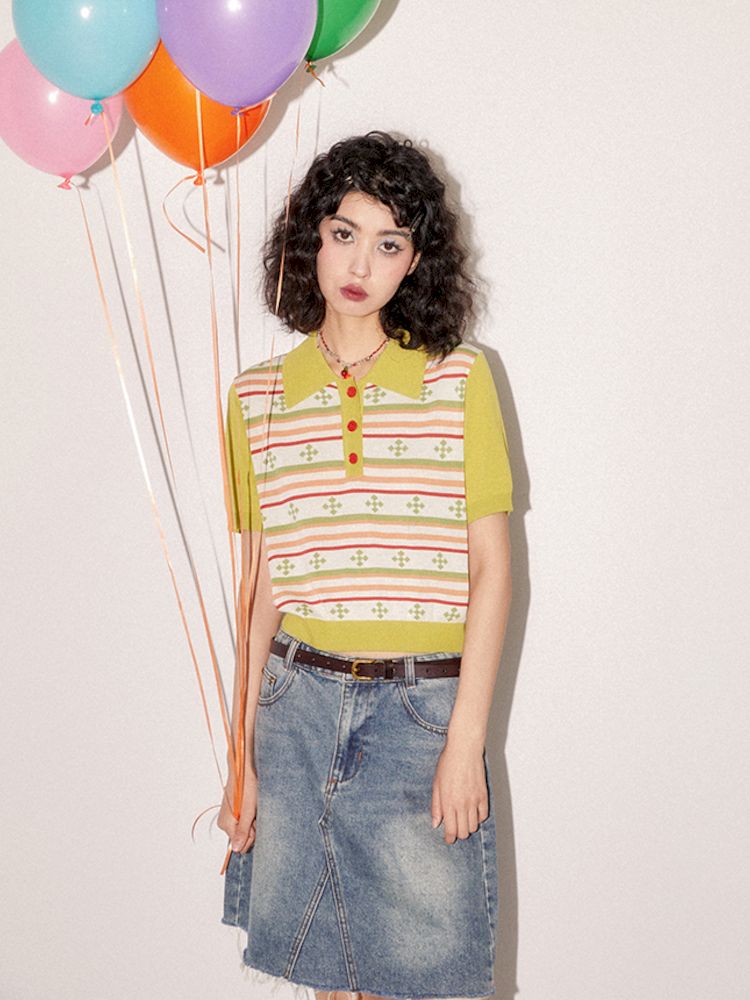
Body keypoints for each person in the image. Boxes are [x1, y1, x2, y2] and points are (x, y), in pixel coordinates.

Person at [218, 130, 513, 1000]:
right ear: (310, 236)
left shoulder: (459, 380)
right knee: (331, 981)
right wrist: (239, 755)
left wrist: (465, 742)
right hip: (296, 710)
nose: (359, 264)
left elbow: (493, 571)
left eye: (389, 244)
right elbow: (259, 594)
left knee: (418, 975)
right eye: (343, 233)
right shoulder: (255, 399)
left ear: (415, 262)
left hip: (420, 717)